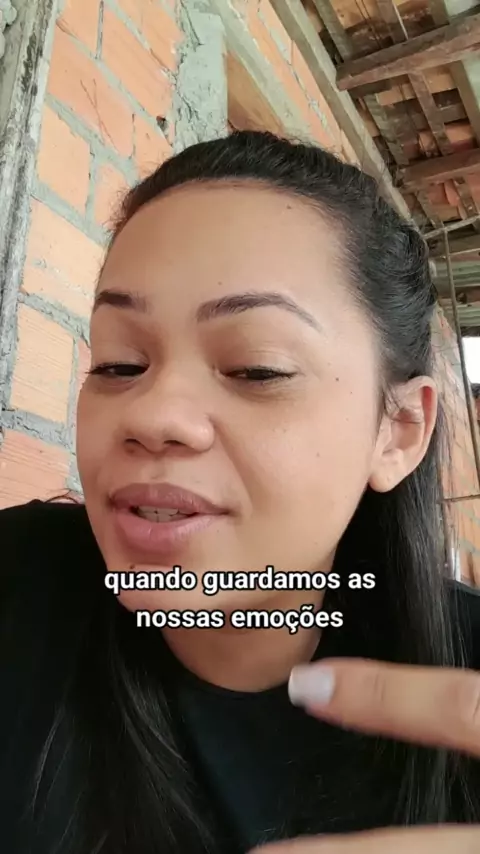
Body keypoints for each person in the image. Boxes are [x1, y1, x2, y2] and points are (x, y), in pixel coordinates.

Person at [1, 130, 480, 854]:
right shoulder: (18, 582)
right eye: (120, 363)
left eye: (257, 368)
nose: (152, 415)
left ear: (399, 431)